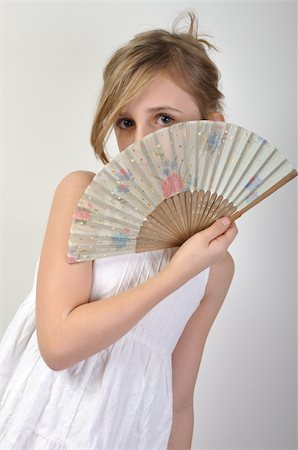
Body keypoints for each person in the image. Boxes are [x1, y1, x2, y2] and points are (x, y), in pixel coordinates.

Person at [0, 10, 238, 450]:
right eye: (126, 122)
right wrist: (175, 273)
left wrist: (194, 266)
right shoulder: (82, 197)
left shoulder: (215, 267)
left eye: (164, 118)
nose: (142, 140)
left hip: (128, 435)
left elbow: (180, 399)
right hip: (44, 426)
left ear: (212, 129)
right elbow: (59, 346)